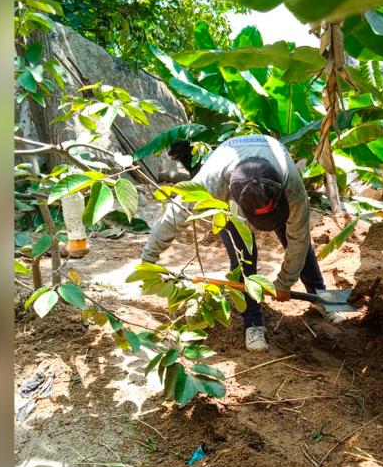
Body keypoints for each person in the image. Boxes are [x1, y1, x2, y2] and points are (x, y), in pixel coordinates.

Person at [140, 134, 345, 351]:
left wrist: (285, 282)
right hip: (231, 197)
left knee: (298, 244)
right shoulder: (212, 182)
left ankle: (323, 298)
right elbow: (172, 218)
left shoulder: (290, 184)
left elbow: (299, 239)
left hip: (273, 170)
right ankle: (253, 323)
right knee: (243, 256)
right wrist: (148, 258)